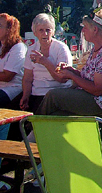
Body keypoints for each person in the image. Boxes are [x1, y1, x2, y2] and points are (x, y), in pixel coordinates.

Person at [36, 9, 102, 115]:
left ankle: (30, 126)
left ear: (95, 30)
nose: (83, 31)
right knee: (56, 115)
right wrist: (71, 71)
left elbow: (98, 89)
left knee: (53, 96)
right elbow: (88, 77)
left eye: (85, 28)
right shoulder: (97, 48)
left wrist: (72, 76)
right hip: (91, 96)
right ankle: (37, 128)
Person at [21, 13, 72, 113]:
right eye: (41, 30)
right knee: (15, 113)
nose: (45, 34)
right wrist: (25, 96)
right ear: (35, 33)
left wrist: (44, 62)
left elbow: (62, 79)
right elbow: (27, 78)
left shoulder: (61, 48)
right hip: (36, 93)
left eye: (48, 30)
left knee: (35, 116)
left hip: (56, 93)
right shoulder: (31, 49)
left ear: (53, 32)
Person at [0, 13, 26, 160]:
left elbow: (8, 75)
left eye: (0, 26)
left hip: (12, 88)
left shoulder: (18, 47)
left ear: (9, 29)